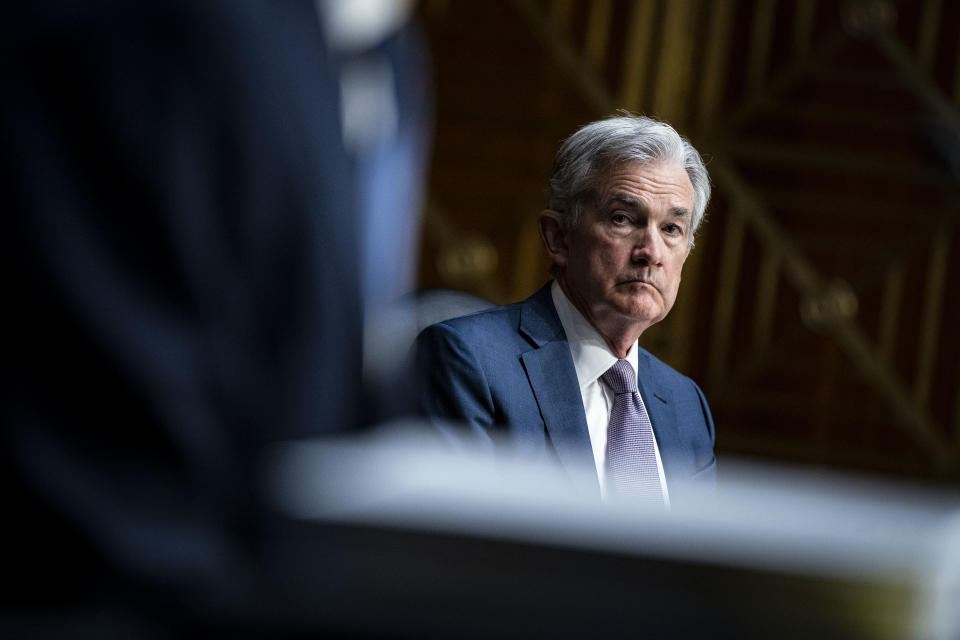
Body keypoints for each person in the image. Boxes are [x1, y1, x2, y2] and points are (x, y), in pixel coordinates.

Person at [416, 115, 716, 506]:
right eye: (623, 219)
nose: (651, 253)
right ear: (558, 237)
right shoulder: (468, 361)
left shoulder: (686, 404)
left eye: (671, 229)